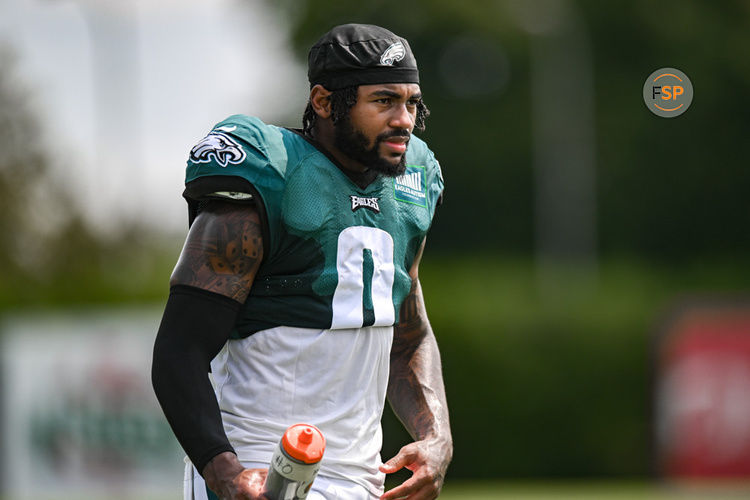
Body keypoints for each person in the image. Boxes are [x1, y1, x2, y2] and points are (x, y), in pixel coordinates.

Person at [152, 23, 452, 500]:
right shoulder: (273, 177)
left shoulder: (410, 185)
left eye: (412, 103)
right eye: (384, 101)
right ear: (324, 101)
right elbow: (178, 351)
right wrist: (223, 470)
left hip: (361, 476)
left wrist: (437, 437)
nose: (404, 120)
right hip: (259, 467)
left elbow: (408, 334)